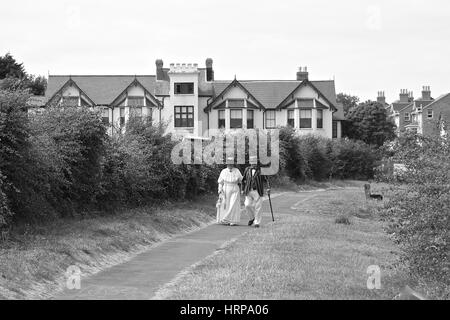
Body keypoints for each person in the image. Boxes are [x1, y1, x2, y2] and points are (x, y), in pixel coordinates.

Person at [242, 156, 270, 228]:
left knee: (258, 207)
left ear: (256, 162)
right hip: (248, 190)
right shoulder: (247, 169)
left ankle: (257, 222)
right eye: (252, 162)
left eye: (254, 162)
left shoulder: (261, 170)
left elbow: (266, 180)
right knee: (247, 205)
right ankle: (252, 218)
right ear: (250, 162)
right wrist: (242, 189)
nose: (253, 163)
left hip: (258, 190)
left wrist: (268, 188)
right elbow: (243, 180)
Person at [217, 157, 243, 226]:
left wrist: (243, 189)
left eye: (231, 163)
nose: (230, 164)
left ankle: (232, 220)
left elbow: (241, 180)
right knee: (226, 204)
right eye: (229, 163)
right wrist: (219, 189)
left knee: (233, 204)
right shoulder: (223, 171)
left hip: (235, 187)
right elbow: (220, 182)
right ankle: (226, 220)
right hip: (226, 188)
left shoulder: (237, 170)